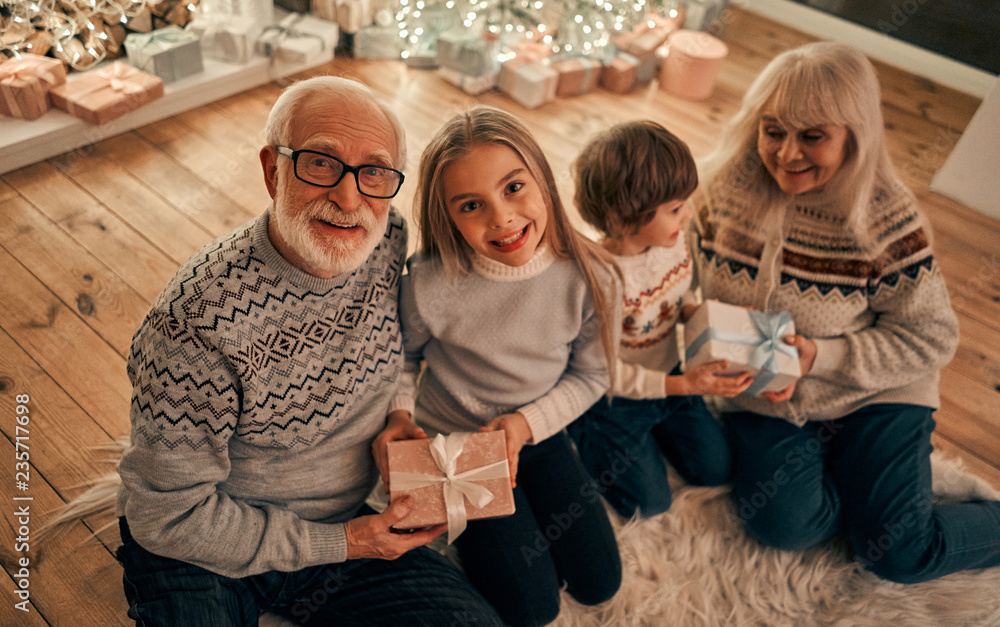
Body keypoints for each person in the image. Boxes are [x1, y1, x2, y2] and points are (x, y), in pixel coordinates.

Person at [112, 76, 504, 626]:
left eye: (374, 172)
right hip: (205, 548)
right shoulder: (193, 325)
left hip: (341, 522)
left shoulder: (385, 235)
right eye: (321, 162)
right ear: (273, 170)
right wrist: (345, 542)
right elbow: (166, 516)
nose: (349, 198)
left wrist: (396, 414)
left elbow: (397, 348)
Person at [690, 41, 1000, 584]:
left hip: (875, 391)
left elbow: (931, 338)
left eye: (812, 136)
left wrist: (820, 357)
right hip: (767, 396)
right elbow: (681, 281)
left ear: (856, 136)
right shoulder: (720, 190)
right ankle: (871, 488)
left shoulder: (887, 220)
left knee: (898, 552)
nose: (787, 154)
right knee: (784, 526)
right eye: (773, 130)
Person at [372, 105, 623, 626]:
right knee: (532, 609)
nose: (502, 218)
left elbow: (593, 375)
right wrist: (399, 415)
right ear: (447, 216)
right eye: (471, 205)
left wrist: (525, 425)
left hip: (537, 432)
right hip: (458, 447)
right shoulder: (428, 281)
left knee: (600, 583)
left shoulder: (592, 275)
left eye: (513, 188)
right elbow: (404, 357)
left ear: (543, 178)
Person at [566, 120, 752, 520]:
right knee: (649, 503)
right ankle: (584, 427)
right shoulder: (601, 283)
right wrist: (682, 384)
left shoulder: (671, 240)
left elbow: (673, 302)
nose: (687, 215)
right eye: (674, 209)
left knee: (715, 470)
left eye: (685, 202)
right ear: (621, 219)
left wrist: (708, 320)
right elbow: (601, 373)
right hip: (616, 398)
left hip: (670, 376)